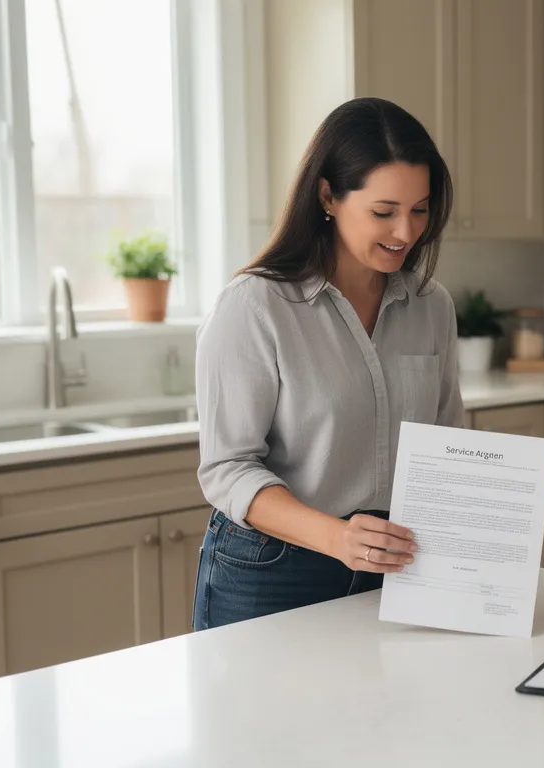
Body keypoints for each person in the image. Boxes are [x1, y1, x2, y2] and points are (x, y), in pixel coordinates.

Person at [191, 97, 464, 630]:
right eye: (384, 212)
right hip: (274, 567)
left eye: (420, 209)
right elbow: (227, 468)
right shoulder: (255, 306)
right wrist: (337, 539)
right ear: (327, 197)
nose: (406, 232)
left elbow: (448, 446)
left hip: (397, 564)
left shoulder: (432, 306)